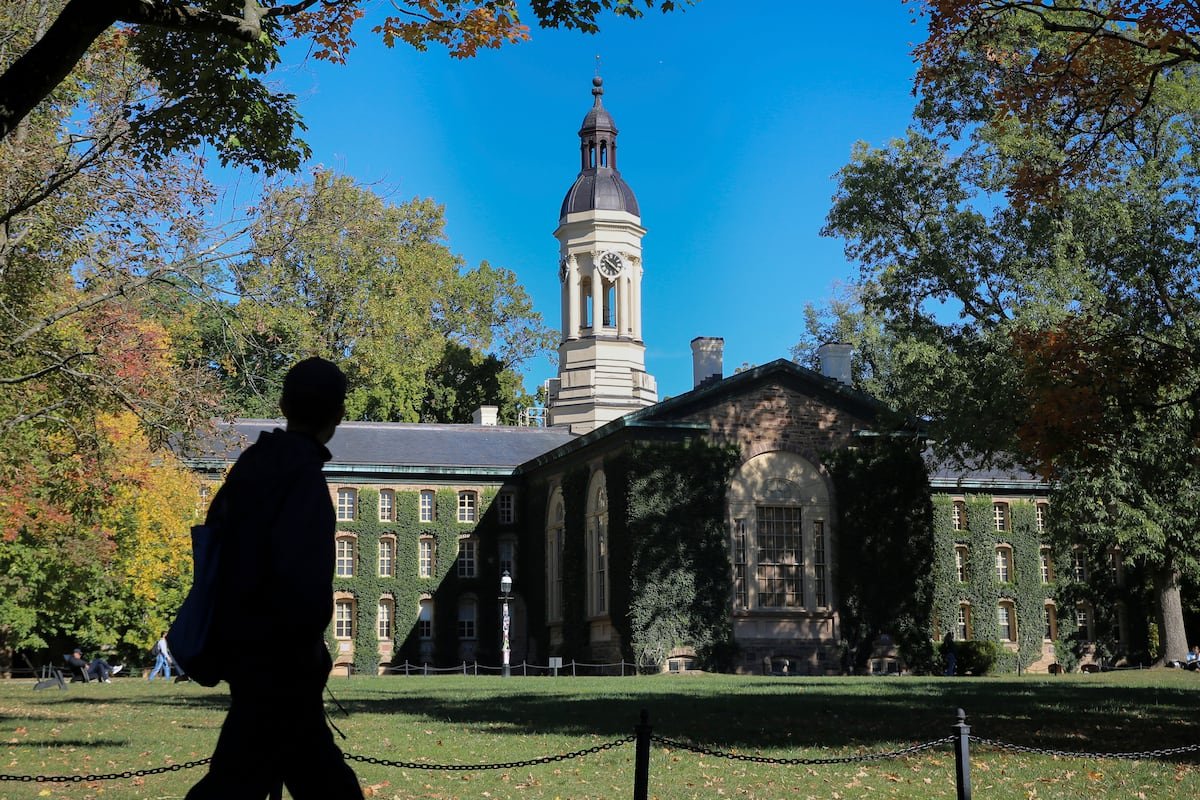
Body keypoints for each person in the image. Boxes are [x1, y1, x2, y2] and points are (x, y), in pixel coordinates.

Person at [185, 357, 362, 799]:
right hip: (282, 669)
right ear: (339, 415)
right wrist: (308, 653)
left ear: (283, 405)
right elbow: (301, 583)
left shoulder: (251, 467)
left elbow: (213, 553)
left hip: (248, 657)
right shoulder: (302, 480)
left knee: (239, 781)